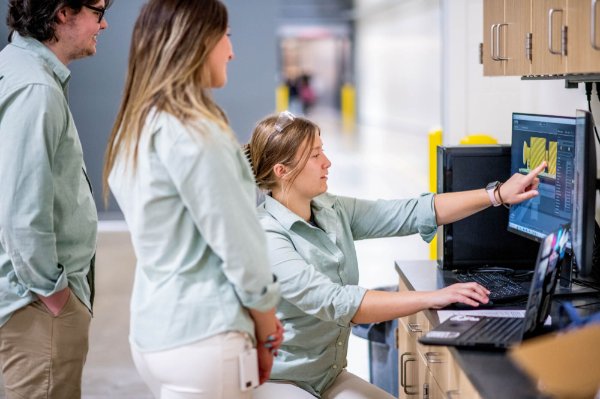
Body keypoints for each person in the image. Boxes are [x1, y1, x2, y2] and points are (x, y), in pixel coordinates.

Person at [244, 111, 546, 399]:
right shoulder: (267, 236)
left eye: (323, 150)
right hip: (280, 380)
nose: (327, 162)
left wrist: (497, 195)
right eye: (315, 155)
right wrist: (432, 297)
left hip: (328, 376)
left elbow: (408, 212)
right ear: (282, 172)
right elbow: (335, 301)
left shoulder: (330, 209)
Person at [103, 1, 283, 398]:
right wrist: (268, 331)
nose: (232, 51)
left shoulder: (133, 129)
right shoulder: (199, 133)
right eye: (226, 37)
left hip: (152, 335)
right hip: (206, 338)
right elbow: (242, 251)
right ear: (196, 41)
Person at [0, 1, 109, 398]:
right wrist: (54, 295)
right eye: (97, 11)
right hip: (38, 307)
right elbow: (21, 210)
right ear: (63, 12)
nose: (105, 23)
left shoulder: (19, 68)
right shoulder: (36, 88)